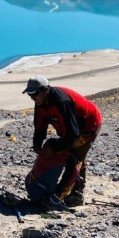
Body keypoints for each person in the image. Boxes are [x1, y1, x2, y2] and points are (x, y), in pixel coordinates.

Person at [23, 76, 103, 208]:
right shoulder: (40, 103)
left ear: (45, 90)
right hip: (69, 130)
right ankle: (76, 192)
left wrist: (55, 148)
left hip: (88, 127)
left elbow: (73, 135)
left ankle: (59, 197)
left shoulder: (62, 102)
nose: (32, 98)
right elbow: (40, 127)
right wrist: (37, 145)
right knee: (69, 153)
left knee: (75, 158)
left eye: (35, 94)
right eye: (30, 95)